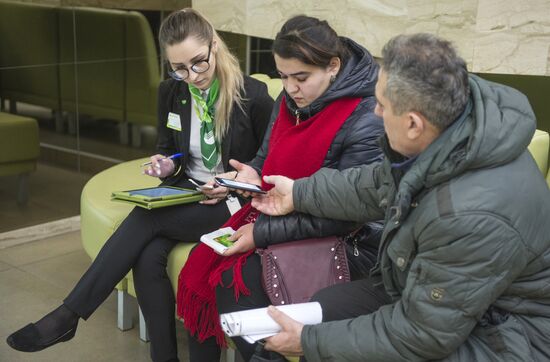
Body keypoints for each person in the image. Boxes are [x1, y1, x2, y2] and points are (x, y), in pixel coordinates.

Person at [251, 32, 550, 361]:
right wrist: (299, 193)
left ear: (413, 124)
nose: (375, 112)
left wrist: (311, 342)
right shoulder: (451, 125)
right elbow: (376, 182)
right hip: (434, 294)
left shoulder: (470, 215)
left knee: (321, 342)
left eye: (381, 104)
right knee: (325, 306)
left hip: (505, 337)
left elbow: (422, 335)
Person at [6, 8, 273, 362]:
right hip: (187, 194)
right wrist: (164, 165)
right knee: (147, 256)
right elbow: (168, 150)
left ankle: (68, 315)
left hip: (233, 204)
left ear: (214, 45)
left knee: (146, 220)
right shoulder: (171, 92)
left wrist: (235, 181)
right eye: (178, 68)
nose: (191, 76)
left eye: (198, 63)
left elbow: (269, 166)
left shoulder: (252, 97)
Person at [177, 15, 385, 362]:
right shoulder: (295, 99)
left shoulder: (365, 116)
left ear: (332, 66)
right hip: (283, 214)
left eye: (301, 78)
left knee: (236, 281)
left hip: (351, 239)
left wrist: (261, 234)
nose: (289, 88)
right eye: (283, 77)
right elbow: (265, 156)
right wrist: (252, 175)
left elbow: (349, 214)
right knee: (221, 274)